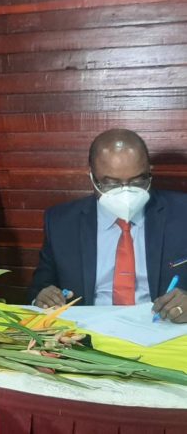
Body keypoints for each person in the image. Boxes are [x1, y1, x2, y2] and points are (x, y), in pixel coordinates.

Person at [29, 129, 187, 323]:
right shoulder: (62, 222)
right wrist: (42, 298)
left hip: (161, 326)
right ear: (92, 177)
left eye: (137, 181)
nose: (126, 192)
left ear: (149, 172)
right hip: (89, 328)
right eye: (112, 184)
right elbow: (39, 288)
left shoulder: (182, 213)